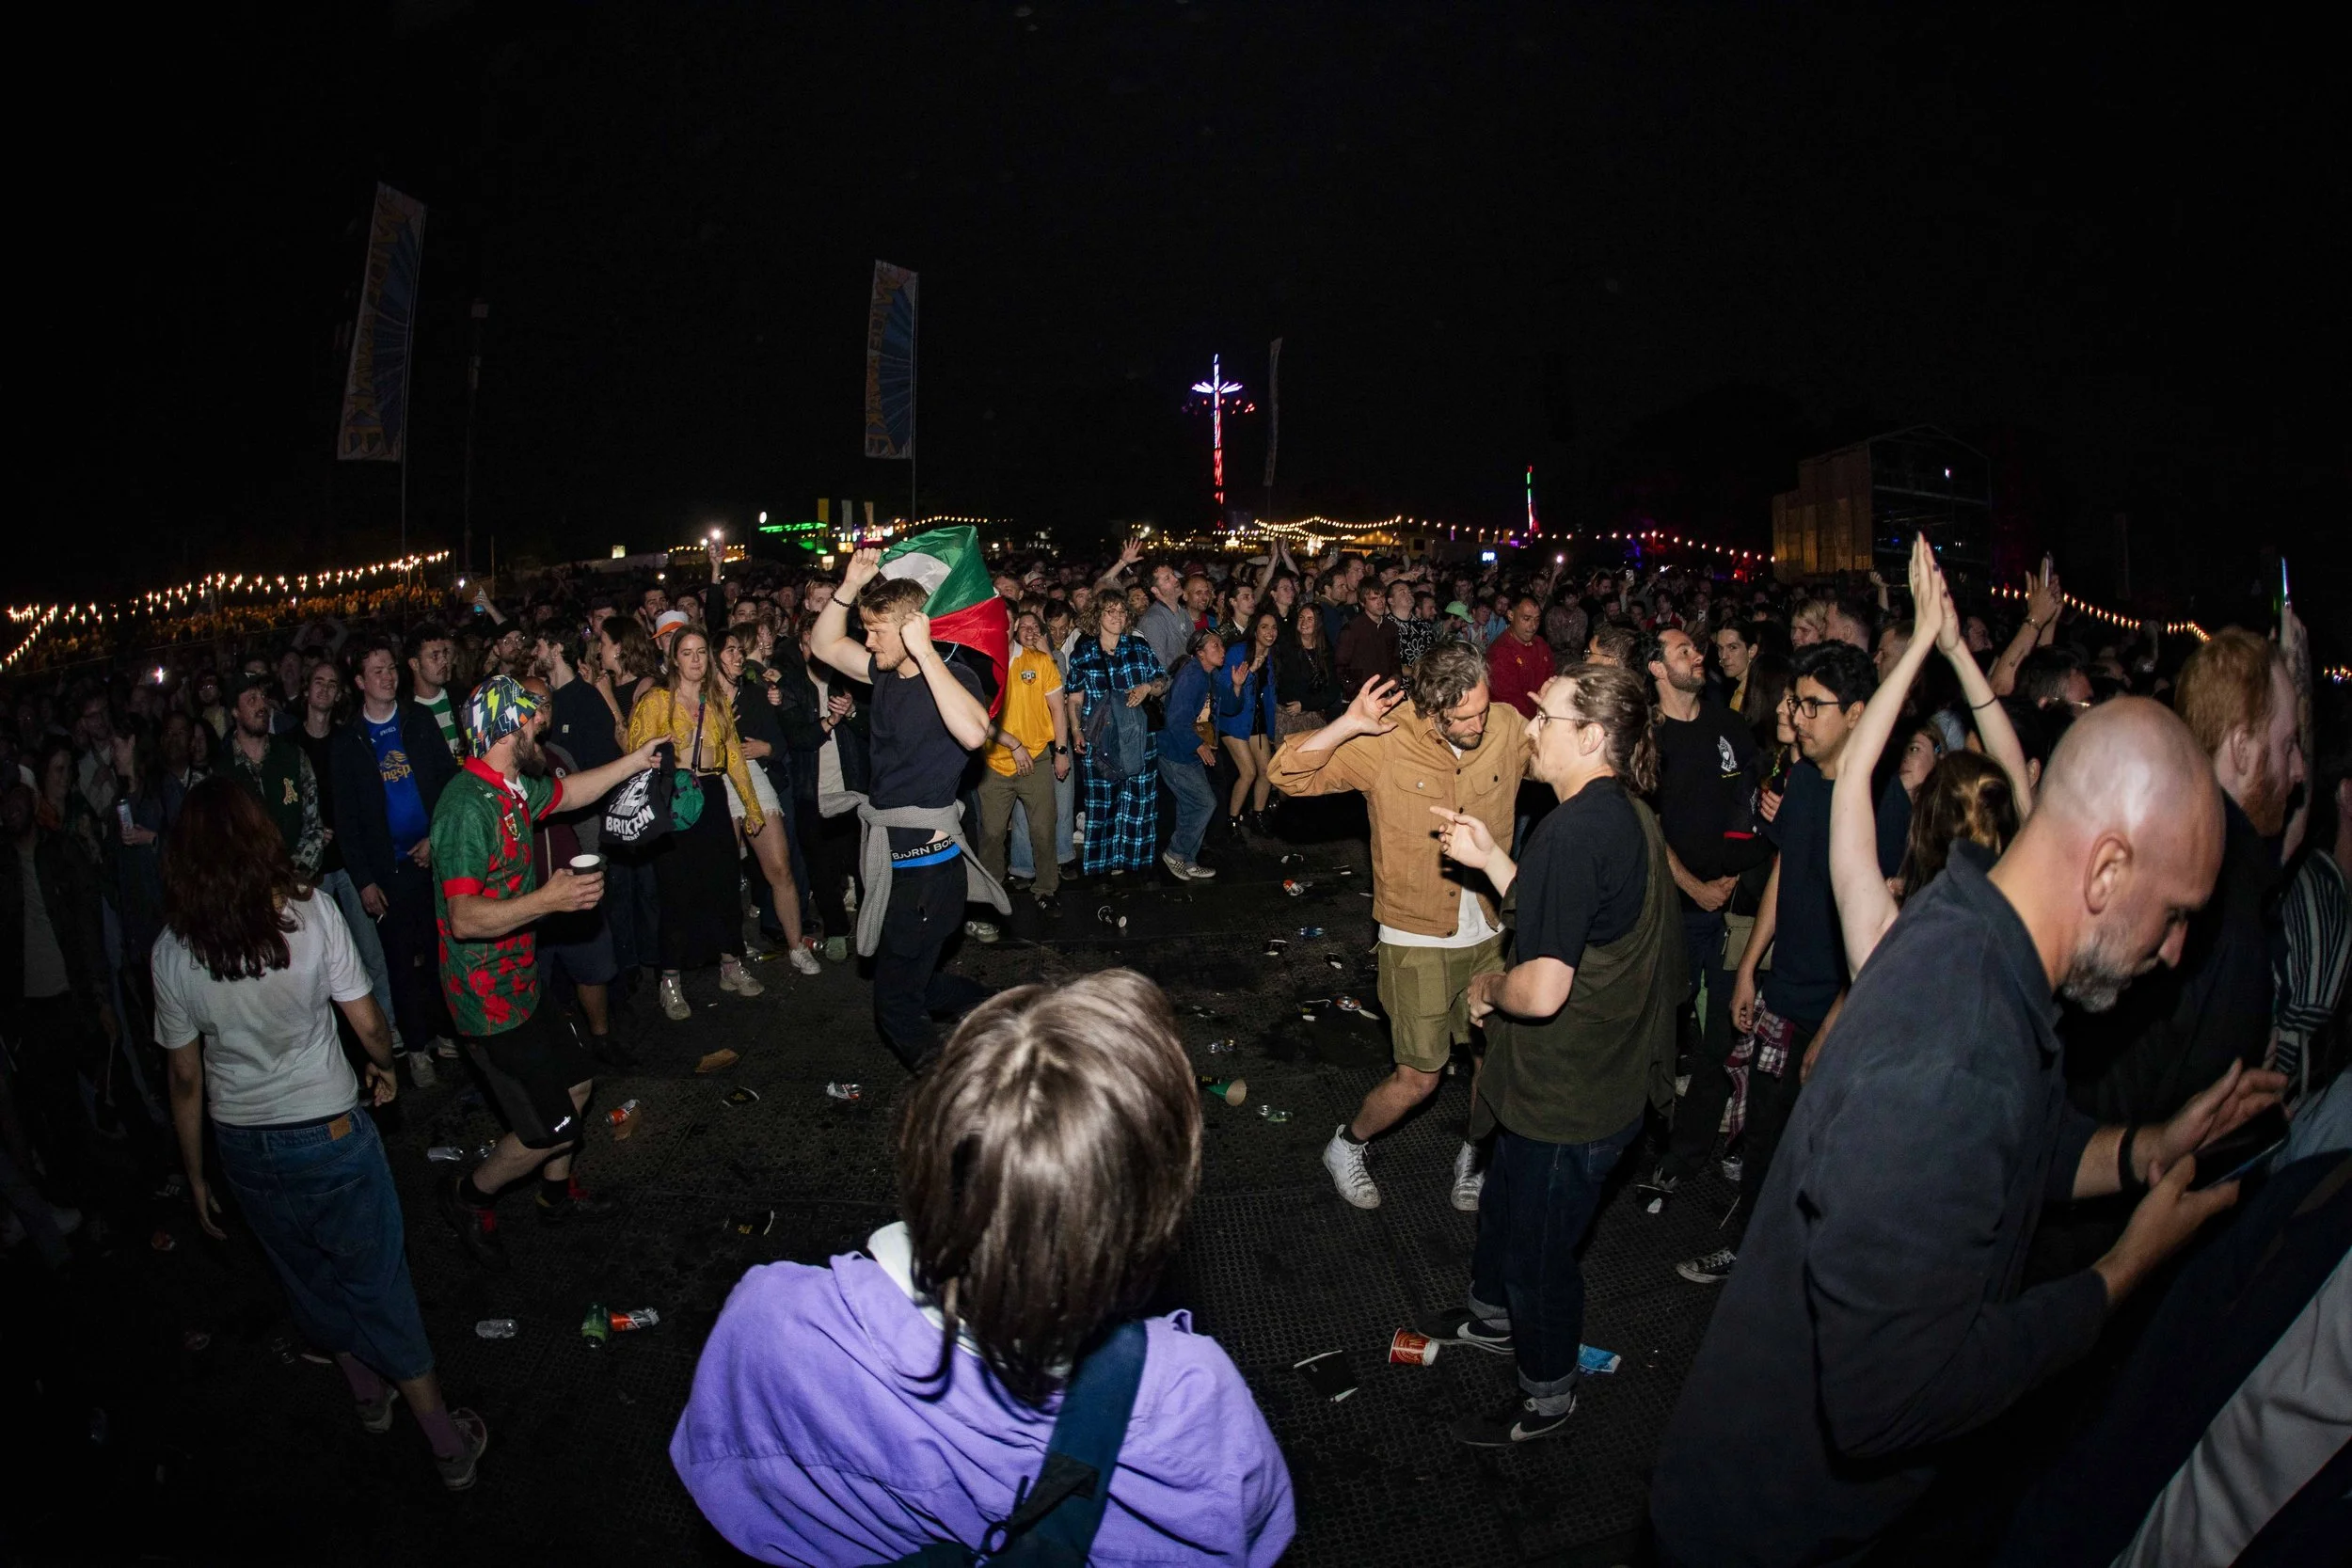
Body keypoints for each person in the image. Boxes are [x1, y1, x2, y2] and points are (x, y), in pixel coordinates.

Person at [1650, 700, 2289, 1568]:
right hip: (1775, 1534)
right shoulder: (1957, 1046)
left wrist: (2149, 1148)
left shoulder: (1972, 924)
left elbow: (2024, 1141)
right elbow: (1888, 1396)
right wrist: (2120, 1272)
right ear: (2106, 870)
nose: (2175, 951)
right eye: (2175, 914)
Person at [670, 970, 1295, 1563]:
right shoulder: (1191, 1405)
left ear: (925, 1145)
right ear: (1148, 1214)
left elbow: (737, 1500)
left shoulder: (773, 1325)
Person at [152, 778, 488, 1490]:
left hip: (244, 1142)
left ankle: (370, 1400)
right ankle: (445, 1441)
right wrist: (384, 1066)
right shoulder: (309, 912)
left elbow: (184, 1079)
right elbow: (367, 1019)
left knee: (308, 1278)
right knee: (378, 1283)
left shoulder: (173, 949)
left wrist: (196, 1173)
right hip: (329, 1129)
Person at [1426, 665, 1683, 1445]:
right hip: (1576, 1085)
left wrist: (1486, 989)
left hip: (1572, 1094)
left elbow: (1540, 991)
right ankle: (1494, 1320)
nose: (1529, 727)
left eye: (1546, 717)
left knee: (1542, 1254)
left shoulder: (1575, 831)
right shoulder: (1621, 814)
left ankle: (1546, 1393)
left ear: (1593, 736)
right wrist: (1494, 861)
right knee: (1507, 1205)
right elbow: (1576, 916)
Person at [1270, 642, 1530, 1212]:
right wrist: (1345, 725)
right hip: (1416, 937)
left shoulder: (1507, 727)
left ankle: (1476, 1151)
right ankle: (1347, 1144)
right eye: (1463, 718)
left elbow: (1573, 767)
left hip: (1492, 930)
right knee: (1420, 1077)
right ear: (1431, 709)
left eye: (1483, 710)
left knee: (1494, 1059)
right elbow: (1286, 774)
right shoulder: (1387, 741)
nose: (1477, 724)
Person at [433, 676, 663, 1270]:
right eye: (533, 718)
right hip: (487, 1002)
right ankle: (468, 1195)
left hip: (523, 985)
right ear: (508, 729)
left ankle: (555, 1196)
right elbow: (463, 918)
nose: (545, 725)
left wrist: (633, 761)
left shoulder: (512, 788)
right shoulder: (465, 807)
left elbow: (567, 793)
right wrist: (548, 900)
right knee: (550, 1131)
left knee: (579, 1083)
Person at [1674, 640, 1885, 1288]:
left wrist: (1833, 1025)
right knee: (1765, 1133)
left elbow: (1882, 933)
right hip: (1783, 987)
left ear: (1856, 715)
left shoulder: (1875, 801)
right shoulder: (1804, 781)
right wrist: (1749, 968)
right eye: (1796, 701)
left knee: (1813, 1145)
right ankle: (1754, 1253)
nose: (1798, 714)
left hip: (1831, 1007)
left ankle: (1792, 1270)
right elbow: (1787, 871)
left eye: (1813, 704)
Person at [2068, 622, 2309, 1124]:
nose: (2300, 770)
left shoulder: (2168, 844)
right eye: (2288, 746)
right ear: (2242, 750)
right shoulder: (2213, 895)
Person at [809, 548, 1007, 1073]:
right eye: (867, 630)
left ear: (913, 629)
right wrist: (849, 584)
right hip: (900, 865)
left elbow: (972, 732)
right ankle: (1003, 1012)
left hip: (926, 870)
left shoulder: (955, 679)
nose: (868, 640)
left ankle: (952, 1091)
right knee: (920, 981)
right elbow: (824, 643)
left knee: (896, 1005)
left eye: (877, 631)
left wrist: (926, 654)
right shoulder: (885, 673)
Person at [1635, 624, 1771, 1211]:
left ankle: (1685, 1155)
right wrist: (1693, 886)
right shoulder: (1647, 735)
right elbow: (1644, 824)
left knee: (1720, 1039)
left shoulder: (1728, 726)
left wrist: (1732, 881)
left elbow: (1754, 809)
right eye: (1682, 650)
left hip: (1733, 909)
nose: (1698, 654)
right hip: (1672, 912)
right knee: (1658, 1032)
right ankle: (1643, 1143)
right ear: (1657, 669)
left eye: (1696, 647)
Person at [330, 638, 459, 1087]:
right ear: (361, 682)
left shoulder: (418, 720)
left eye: (390, 669)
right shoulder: (349, 742)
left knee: (444, 946)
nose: (388, 677)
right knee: (401, 962)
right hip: (389, 872)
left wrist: (435, 838)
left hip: (431, 859)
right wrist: (363, 880)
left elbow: (449, 784)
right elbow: (345, 820)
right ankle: (418, 1047)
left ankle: (449, 1033)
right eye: (378, 671)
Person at [626, 629, 774, 1017]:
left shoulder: (717, 702)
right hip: (674, 802)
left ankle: (730, 963)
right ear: (674, 659)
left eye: (700, 653)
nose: (695, 660)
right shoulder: (658, 700)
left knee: (724, 883)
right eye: (686, 653)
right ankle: (670, 980)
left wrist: (752, 807)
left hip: (710, 797)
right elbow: (634, 751)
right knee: (676, 891)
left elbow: (735, 758)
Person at [287, 656, 406, 1068]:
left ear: (340, 693)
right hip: (310, 873)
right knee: (314, 960)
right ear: (306, 689)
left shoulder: (347, 739)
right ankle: (332, 1049)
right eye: (317, 682)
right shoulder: (288, 746)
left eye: (331, 684)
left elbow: (366, 805)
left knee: (369, 952)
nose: (324, 690)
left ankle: (387, 1031)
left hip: (350, 867)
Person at [713, 627, 820, 975]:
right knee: (725, 875)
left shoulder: (756, 694)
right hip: (715, 780)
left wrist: (766, 749)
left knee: (780, 867)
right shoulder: (699, 702)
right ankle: (730, 951)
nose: (737, 656)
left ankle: (796, 946)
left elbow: (780, 743)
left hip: (753, 775)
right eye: (729, 650)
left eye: (738, 651)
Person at [1065, 594, 1169, 882]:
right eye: (1110, 611)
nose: (1117, 617)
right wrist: (1075, 730)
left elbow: (1162, 682)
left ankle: (1133, 862)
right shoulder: (1083, 653)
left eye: (1122, 612)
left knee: (1139, 801)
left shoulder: (1139, 647)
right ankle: (1101, 866)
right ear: (1097, 615)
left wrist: (1148, 687)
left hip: (1138, 738)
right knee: (1102, 803)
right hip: (1099, 739)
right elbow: (1074, 698)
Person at [974, 609, 1071, 911]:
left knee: (1043, 829)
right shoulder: (980, 665)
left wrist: (1062, 751)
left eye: (1006, 621)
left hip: (1038, 759)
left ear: (1013, 625)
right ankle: (992, 891)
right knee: (991, 833)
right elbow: (974, 718)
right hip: (993, 763)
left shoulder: (1039, 662)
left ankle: (1046, 888)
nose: (1000, 626)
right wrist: (1011, 745)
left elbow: (1058, 710)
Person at [223, 673, 326, 877]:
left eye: (263, 697)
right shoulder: (221, 770)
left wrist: (293, 877)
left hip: (296, 885)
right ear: (235, 711)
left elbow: (314, 828)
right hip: (247, 892)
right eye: (252, 700)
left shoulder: (292, 756)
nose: (262, 706)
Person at [1158, 629, 1227, 883]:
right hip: (1176, 754)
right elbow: (1176, 720)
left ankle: (1188, 860)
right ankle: (1175, 853)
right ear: (1200, 652)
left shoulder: (1209, 674)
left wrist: (1238, 685)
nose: (1222, 649)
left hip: (1186, 753)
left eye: (1222, 645)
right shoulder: (1192, 676)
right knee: (1205, 803)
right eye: (1215, 645)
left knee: (1191, 806)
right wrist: (1198, 745)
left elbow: (1230, 706)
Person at [1220, 610, 1282, 836]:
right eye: (1264, 627)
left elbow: (1269, 697)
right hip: (1233, 719)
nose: (1270, 632)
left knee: (1267, 771)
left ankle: (1258, 815)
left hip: (1255, 720)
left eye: (1274, 627)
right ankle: (1232, 821)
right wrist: (1252, 673)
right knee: (1248, 772)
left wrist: (1272, 729)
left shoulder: (1270, 655)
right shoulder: (1238, 651)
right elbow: (1227, 692)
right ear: (1255, 630)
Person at [1485, 594, 1552, 719]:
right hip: (1515, 722)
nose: (1533, 626)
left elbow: (1551, 680)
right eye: (1526, 619)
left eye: (1537, 620)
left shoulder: (1541, 644)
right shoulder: (1500, 652)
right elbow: (1511, 706)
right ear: (1510, 615)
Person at [1275, 602, 1343, 724]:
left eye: (1310, 619)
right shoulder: (1286, 646)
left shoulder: (1326, 650)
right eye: (1301, 617)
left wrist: (1305, 704)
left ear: (1318, 623)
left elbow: (1333, 689)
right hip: (1287, 714)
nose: (1304, 622)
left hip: (1315, 713)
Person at [405, 626, 464, 761]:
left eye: (445, 654)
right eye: (435, 656)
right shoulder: (405, 713)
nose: (444, 661)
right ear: (415, 664)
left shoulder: (461, 698)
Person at [1335, 578, 1401, 696]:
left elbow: (1395, 660)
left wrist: (1395, 676)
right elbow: (1340, 668)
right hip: (1360, 698)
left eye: (1382, 597)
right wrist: (1357, 690)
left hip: (1384, 695)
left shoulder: (1391, 627)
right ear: (1362, 602)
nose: (1380, 602)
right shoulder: (1352, 629)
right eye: (1374, 599)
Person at [1136, 561, 1193, 671]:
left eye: (1173, 575)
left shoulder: (1183, 613)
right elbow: (1158, 670)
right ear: (1155, 590)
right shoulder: (1153, 621)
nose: (1176, 580)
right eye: (1167, 579)